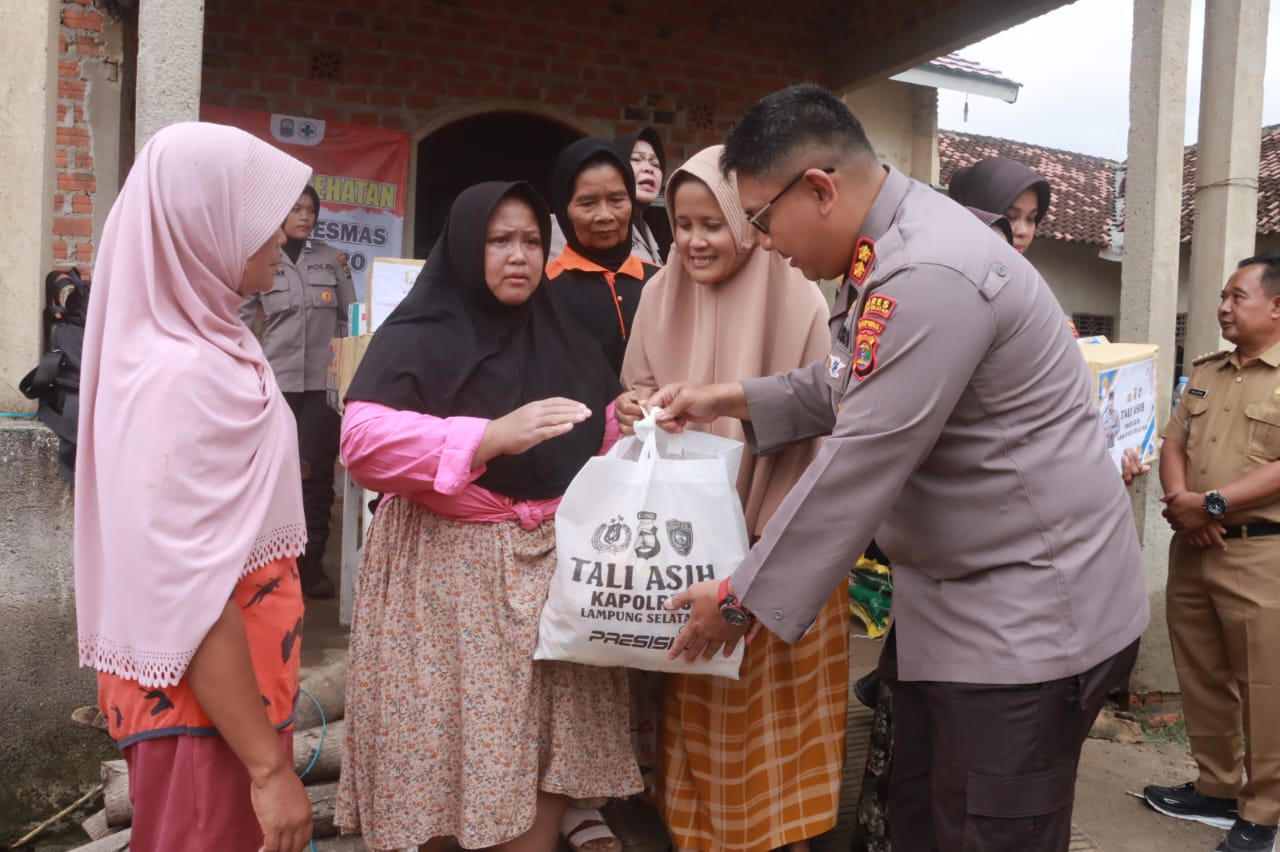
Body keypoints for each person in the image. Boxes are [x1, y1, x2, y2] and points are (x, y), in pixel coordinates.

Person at [648, 82, 1149, 852]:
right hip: (958, 602)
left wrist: (738, 598)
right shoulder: (887, 248)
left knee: (987, 831)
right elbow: (847, 381)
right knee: (917, 818)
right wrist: (729, 396)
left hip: (1028, 619)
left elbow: (862, 459)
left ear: (818, 188)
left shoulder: (928, 271)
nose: (763, 241)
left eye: (760, 218)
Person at [334, 181, 642, 852]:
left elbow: (593, 435)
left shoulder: (562, 331)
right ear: (468, 247)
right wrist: (487, 437)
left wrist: (626, 421)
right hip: (449, 572)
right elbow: (362, 443)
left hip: (553, 568)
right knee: (450, 732)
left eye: (531, 241)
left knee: (548, 734)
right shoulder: (422, 332)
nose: (518, 256)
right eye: (499, 240)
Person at [74, 122, 314, 852]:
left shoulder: (216, 343)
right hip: (202, 717)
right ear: (202, 223)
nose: (281, 232)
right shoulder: (178, 376)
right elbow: (191, 593)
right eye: (262, 215)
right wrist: (269, 770)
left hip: (229, 704)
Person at [617, 145, 846, 852]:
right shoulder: (659, 294)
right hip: (689, 548)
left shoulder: (799, 295)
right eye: (681, 224)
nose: (693, 241)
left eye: (711, 224)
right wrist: (633, 407)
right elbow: (635, 387)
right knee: (697, 722)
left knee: (778, 734)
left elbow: (827, 418)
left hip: (778, 547)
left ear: (748, 223)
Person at [1144, 255, 1280, 852]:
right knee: (1201, 673)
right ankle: (1217, 787)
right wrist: (1183, 503)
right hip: (1194, 545)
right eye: (1223, 295)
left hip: (1260, 555)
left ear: (1276, 306)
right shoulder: (1207, 371)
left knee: (1267, 685)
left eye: (1237, 296)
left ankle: (1265, 811)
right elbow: (1174, 440)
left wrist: (1213, 505)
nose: (1223, 306)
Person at [950, 157, 1151, 485]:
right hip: (981, 481)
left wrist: (1110, 454)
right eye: (1010, 217)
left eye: (1032, 219)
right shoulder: (949, 291)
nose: (1022, 231)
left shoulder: (1033, 290)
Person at [239, 184, 356, 599]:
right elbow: (237, 323)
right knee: (270, 476)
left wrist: (346, 377)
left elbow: (349, 322)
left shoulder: (333, 261)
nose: (305, 217)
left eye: (310, 210)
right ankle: (270, 564)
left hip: (321, 388)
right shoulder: (261, 259)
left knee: (317, 477)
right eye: (295, 209)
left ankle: (311, 567)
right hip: (274, 388)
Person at [546, 138, 660, 375]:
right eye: (588, 203)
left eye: (617, 200)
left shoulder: (660, 281)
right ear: (564, 209)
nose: (605, 215)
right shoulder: (544, 291)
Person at [615, 127, 671, 264]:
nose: (649, 168)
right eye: (636, 159)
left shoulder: (655, 234)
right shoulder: (579, 225)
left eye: (655, 164)